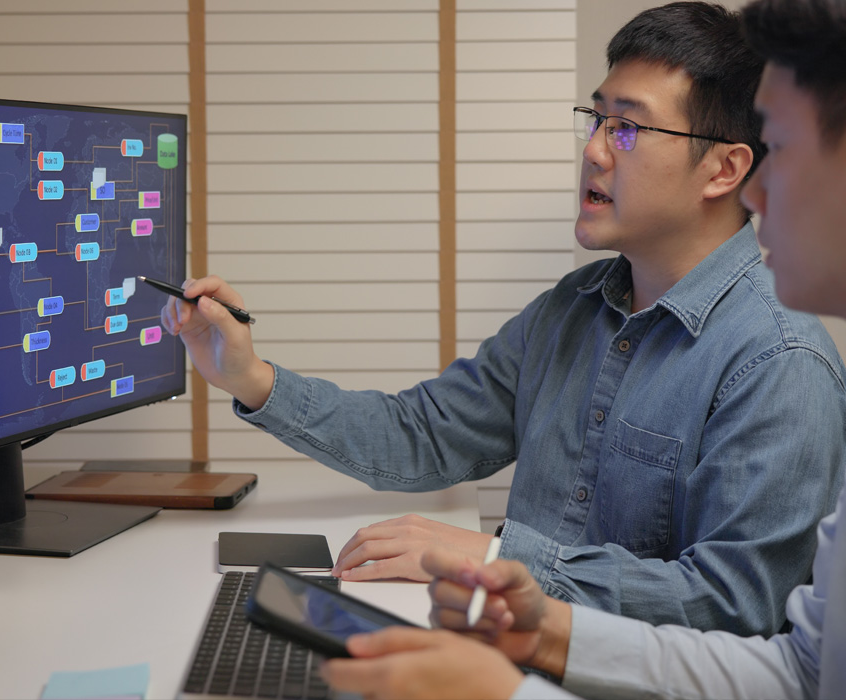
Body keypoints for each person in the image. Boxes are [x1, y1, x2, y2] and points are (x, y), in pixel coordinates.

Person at [162, 2, 846, 636]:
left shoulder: (781, 360)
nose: (595, 149)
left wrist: (494, 555)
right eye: (596, 118)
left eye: (628, 127)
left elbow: (733, 607)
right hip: (505, 657)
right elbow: (423, 436)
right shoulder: (572, 310)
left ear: (724, 169)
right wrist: (251, 377)